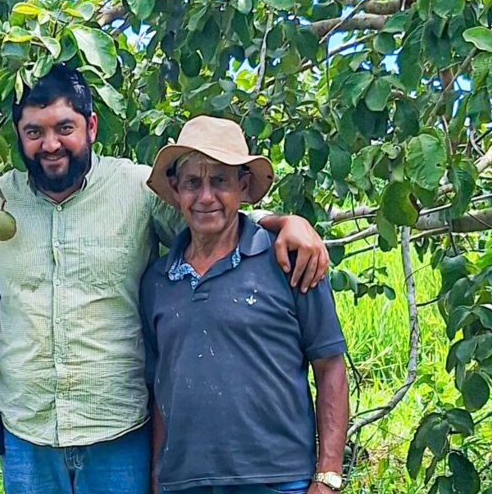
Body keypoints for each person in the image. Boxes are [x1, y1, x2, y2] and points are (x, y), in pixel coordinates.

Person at [0, 64, 330, 494]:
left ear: (91, 125)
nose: (51, 145)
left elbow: (213, 217)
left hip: (119, 432)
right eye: (34, 132)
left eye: (65, 127)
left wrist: (285, 222)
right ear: (19, 134)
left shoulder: (136, 189)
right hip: (27, 434)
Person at [140, 115, 348, 494]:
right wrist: (157, 480)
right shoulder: (157, 281)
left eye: (220, 180)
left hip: (278, 481)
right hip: (184, 484)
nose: (206, 197)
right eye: (192, 182)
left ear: (243, 185)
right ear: (175, 188)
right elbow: (160, 389)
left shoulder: (289, 261)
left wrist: (328, 475)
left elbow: (329, 366)